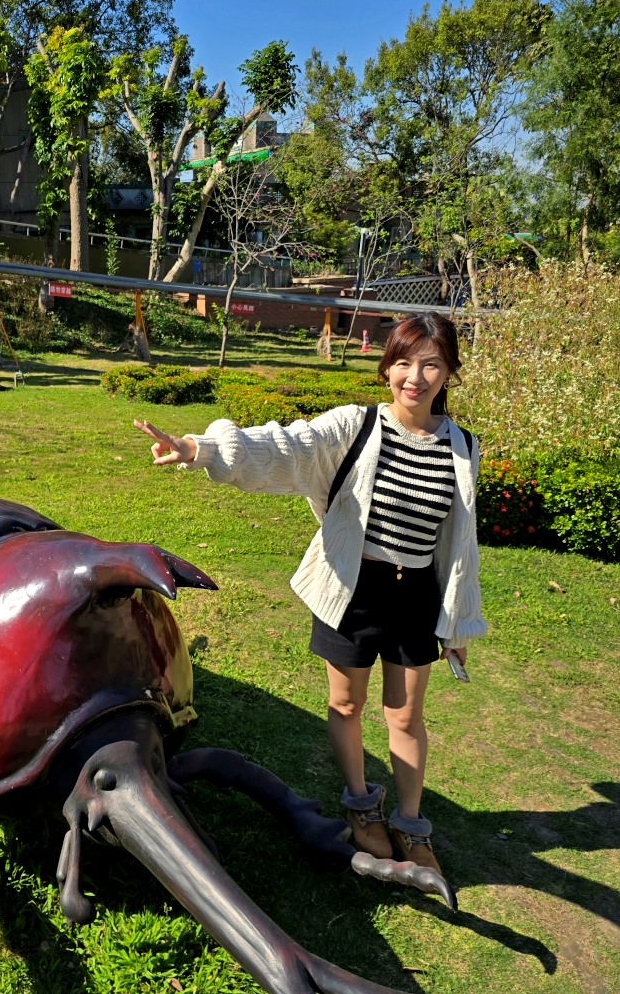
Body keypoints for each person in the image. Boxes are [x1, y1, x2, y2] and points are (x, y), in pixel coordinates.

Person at [133, 312, 485, 875]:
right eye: (402, 362)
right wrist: (201, 449)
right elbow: (287, 447)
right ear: (386, 366)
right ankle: (361, 807)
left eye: (430, 365)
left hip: (416, 594)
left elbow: (458, 545)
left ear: (449, 373)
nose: (414, 377)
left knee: (407, 715)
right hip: (353, 587)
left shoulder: (462, 448)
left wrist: (456, 623)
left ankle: (412, 827)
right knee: (347, 704)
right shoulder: (356, 426)